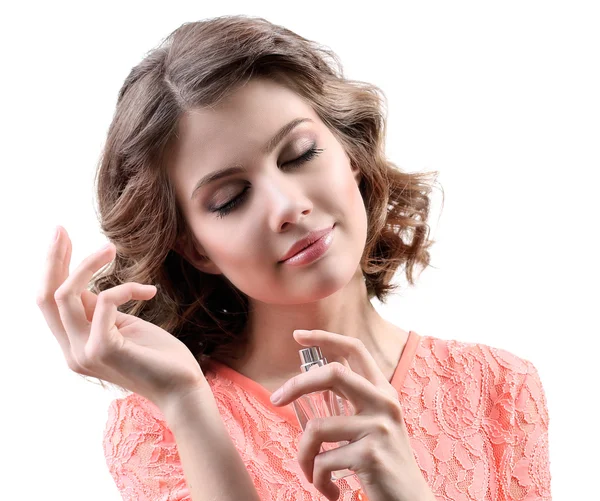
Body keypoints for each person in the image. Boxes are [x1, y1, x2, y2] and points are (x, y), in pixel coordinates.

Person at [36, 14, 552, 501]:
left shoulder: (499, 387)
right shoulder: (155, 426)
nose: (288, 207)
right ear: (195, 248)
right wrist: (187, 405)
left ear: (350, 153)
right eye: (230, 199)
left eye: (300, 154)